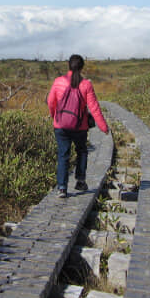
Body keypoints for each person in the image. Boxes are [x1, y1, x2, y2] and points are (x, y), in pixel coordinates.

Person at [47, 54, 109, 198]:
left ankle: (62, 188)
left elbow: (51, 102)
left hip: (60, 126)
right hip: (79, 127)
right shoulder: (86, 84)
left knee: (63, 155)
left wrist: (54, 116)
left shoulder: (58, 82)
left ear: (68, 65)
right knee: (81, 151)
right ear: (81, 67)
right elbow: (94, 108)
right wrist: (103, 127)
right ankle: (80, 181)